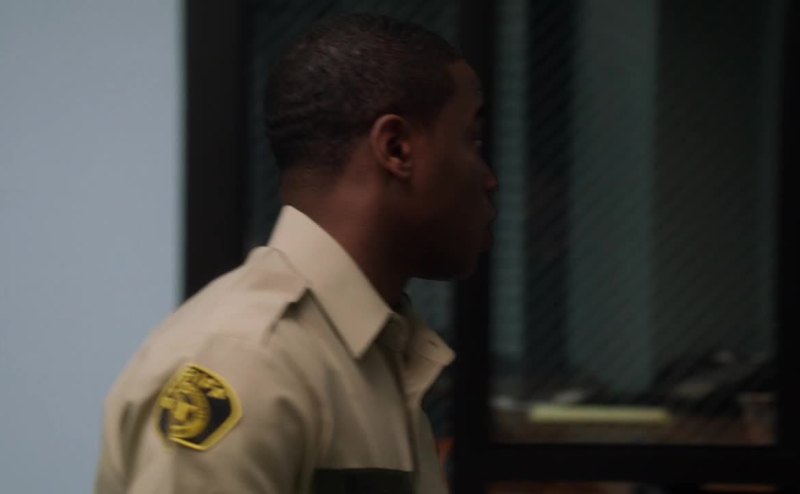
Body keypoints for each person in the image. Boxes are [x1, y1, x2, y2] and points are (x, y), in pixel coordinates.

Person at [94, 13, 497, 494]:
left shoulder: (372, 351)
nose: (489, 178)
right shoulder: (248, 361)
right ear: (396, 149)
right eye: (472, 140)